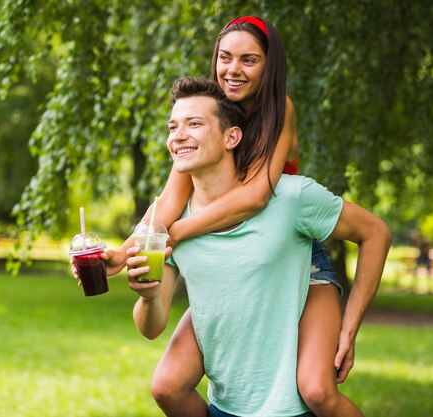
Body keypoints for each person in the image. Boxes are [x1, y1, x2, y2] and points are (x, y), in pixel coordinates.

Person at [75, 15, 379, 417]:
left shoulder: (278, 110)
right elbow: (167, 202)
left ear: (270, 66)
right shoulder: (200, 127)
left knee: (317, 390)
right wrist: (122, 253)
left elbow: (254, 198)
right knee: (166, 384)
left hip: (296, 257)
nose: (233, 69)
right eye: (225, 57)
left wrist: (177, 234)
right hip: (235, 260)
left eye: (249, 60)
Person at [127, 76, 391, 417]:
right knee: (165, 386)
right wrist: (148, 297)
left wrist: (349, 327)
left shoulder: (290, 196)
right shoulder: (171, 220)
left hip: (291, 406)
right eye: (172, 126)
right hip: (226, 403)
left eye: (194, 124)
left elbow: (376, 233)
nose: (178, 135)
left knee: (319, 392)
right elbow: (151, 328)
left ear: (231, 136)